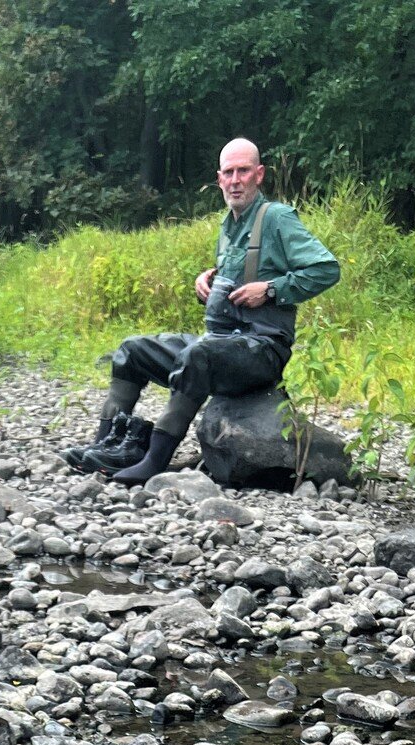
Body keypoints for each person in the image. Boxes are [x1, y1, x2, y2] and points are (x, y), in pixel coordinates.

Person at [65, 138, 340, 486]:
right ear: (219, 178)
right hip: (221, 344)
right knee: (131, 351)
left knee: (198, 355)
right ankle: (103, 444)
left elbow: (326, 269)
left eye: (243, 171)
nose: (236, 180)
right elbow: (239, 275)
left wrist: (270, 289)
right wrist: (208, 282)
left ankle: (155, 461)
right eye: (229, 173)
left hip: (261, 352)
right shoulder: (229, 224)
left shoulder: (277, 219)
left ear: (259, 174)